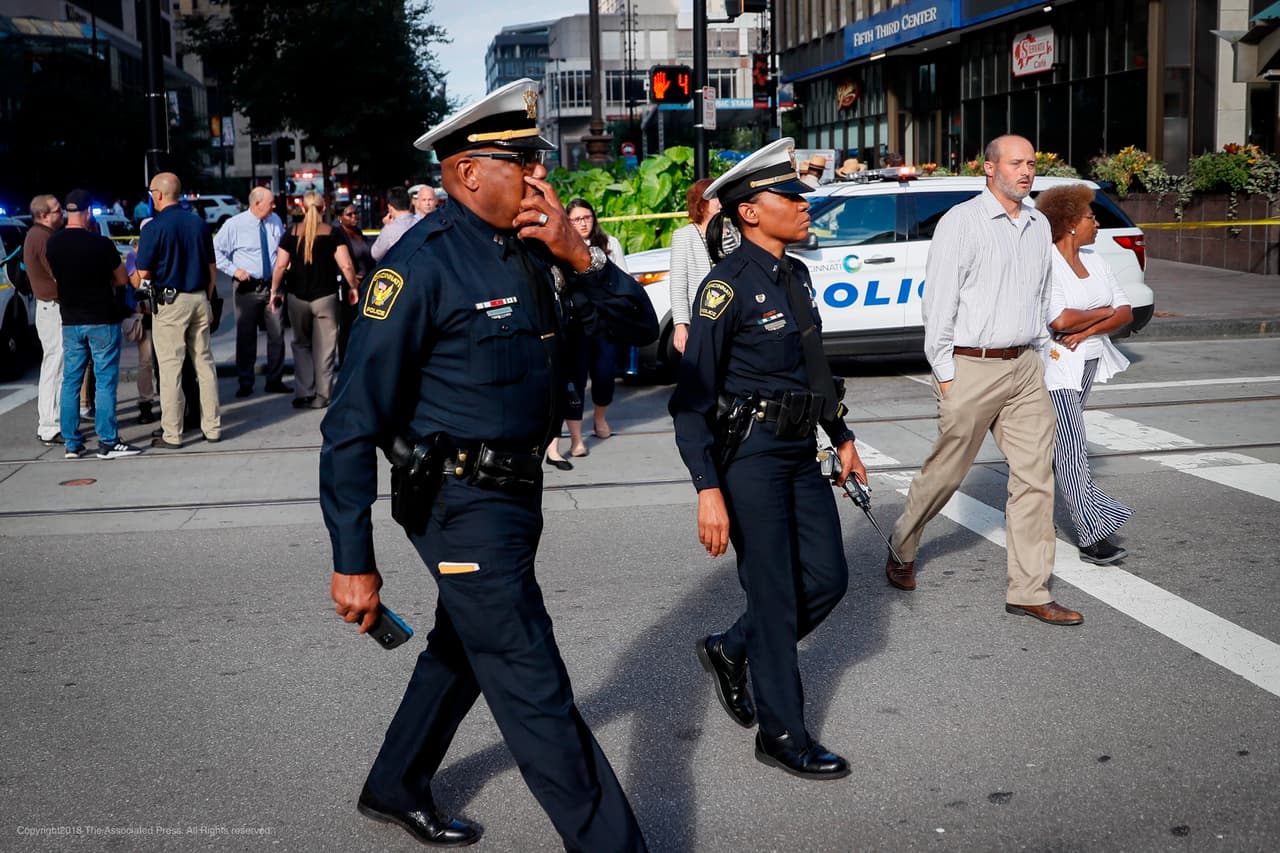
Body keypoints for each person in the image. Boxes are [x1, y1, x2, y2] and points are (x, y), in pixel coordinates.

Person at [319, 78, 654, 851]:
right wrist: (351, 560)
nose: (541, 175)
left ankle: (395, 781)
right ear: (467, 172)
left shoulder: (536, 247)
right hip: (457, 501)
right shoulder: (420, 267)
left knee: (464, 646)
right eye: (523, 161)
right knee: (534, 684)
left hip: (516, 491)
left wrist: (580, 255)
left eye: (540, 159)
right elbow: (350, 423)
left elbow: (637, 327)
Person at [669, 137, 867, 780]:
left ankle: (732, 647)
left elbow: (814, 369)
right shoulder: (724, 288)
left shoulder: (797, 275)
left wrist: (842, 437)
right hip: (749, 456)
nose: (805, 206)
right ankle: (783, 734)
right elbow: (691, 400)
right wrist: (707, 488)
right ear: (750, 212)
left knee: (828, 578)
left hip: (800, 449)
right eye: (791, 197)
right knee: (775, 595)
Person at [883, 135, 1084, 626]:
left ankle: (1029, 589)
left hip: (1024, 367)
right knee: (946, 473)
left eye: (1031, 163)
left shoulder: (1038, 224)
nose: (1026, 172)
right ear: (989, 169)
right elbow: (940, 302)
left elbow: (1041, 294)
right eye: (1016, 163)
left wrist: (1041, 353)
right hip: (971, 366)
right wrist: (946, 375)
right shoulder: (961, 222)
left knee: (1035, 476)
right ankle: (902, 543)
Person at [1033, 184, 1135, 565]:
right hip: (1057, 365)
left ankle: (1026, 509)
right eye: (1091, 217)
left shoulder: (1096, 259)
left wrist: (1089, 327)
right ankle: (1092, 532)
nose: (1097, 223)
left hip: (1089, 359)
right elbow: (1059, 320)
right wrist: (1103, 312)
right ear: (1071, 223)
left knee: (1050, 446)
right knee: (1072, 448)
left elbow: (1125, 311)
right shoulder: (1048, 262)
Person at [45, 190, 141, 459]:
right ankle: (108, 441)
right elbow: (121, 279)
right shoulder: (101, 244)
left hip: (71, 320)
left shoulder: (53, 244)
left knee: (71, 382)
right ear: (88, 212)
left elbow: (54, 276)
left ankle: (72, 443)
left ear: (67, 212)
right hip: (101, 319)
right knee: (105, 382)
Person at [133, 172, 222, 449]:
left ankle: (172, 433)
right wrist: (207, 298)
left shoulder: (153, 228)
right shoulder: (198, 224)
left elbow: (143, 273)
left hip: (170, 303)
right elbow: (211, 268)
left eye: (151, 192)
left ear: (159, 194)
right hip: (199, 297)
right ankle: (212, 427)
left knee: (171, 368)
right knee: (204, 364)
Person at [544, 198, 625, 468]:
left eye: (586, 217)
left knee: (604, 375)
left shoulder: (609, 244)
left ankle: (600, 417)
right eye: (576, 219)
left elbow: (624, 280)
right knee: (574, 380)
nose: (582, 223)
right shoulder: (560, 245)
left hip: (605, 322)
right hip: (574, 323)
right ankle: (576, 439)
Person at [268, 191, 358, 409]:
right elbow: (346, 265)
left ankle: (304, 392)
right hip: (325, 297)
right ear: (323, 208)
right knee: (326, 347)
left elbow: (280, 265)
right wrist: (353, 287)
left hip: (297, 297)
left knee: (301, 344)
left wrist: (274, 290)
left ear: (302, 208)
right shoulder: (332, 233)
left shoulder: (291, 233)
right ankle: (322, 395)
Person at [213, 186, 289, 398]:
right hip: (247, 287)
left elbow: (282, 247)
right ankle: (245, 381)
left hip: (272, 286)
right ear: (257, 204)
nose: (274, 206)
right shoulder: (234, 225)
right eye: (270, 203)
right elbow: (215, 250)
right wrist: (234, 270)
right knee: (246, 336)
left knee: (277, 334)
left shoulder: (275, 221)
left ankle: (275, 380)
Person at [24, 194, 65, 446]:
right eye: (57, 210)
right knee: (55, 365)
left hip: (49, 307)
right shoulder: (43, 238)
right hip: (52, 307)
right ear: (43, 215)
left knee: (55, 364)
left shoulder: (36, 235)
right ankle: (50, 425)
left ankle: (54, 421)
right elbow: (59, 273)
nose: (62, 213)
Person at [668, 177, 720, 356]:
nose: (719, 202)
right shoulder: (683, 236)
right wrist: (680, 325)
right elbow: (678, 284)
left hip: (729, 315)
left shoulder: (731, 232)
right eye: (714, 197)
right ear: (701, 203)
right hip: (700, 317)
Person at [332, 201, 373, 361]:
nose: (354, 217)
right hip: (348, 285)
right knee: (347, 324)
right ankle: (345, 360)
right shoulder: (337, 234)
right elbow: (337, 260)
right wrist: (349, 277)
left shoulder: (358, 232)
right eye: (349, 214)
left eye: (356, 213)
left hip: (365, 283)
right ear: (340, 217)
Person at [123, 239, 157, 425]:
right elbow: (135, 283)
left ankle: (167, 401)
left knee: (161, 360)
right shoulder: (133, 258)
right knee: (146, 361)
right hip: (144, 312)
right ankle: (146, 403)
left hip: (161, 310)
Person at [369, 186, 415, 262]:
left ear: (390, 207)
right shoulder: (420, 222)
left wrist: (386, 226)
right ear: (410, 204)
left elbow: (376, 254)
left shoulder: (389, 229)